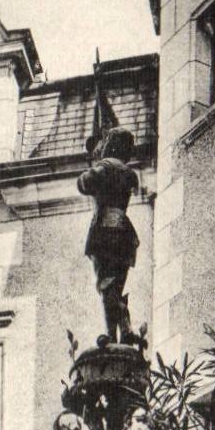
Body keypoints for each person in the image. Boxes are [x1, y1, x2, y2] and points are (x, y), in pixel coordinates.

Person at [78, 127, 140, 344]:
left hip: (104, 229)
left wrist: (94, 161)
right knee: (116, 286)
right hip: (125, 230)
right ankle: (124, 330)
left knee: (106, 285)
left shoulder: (104, 167)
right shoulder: (130, 173)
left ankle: (115, 332)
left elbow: (84, 183)